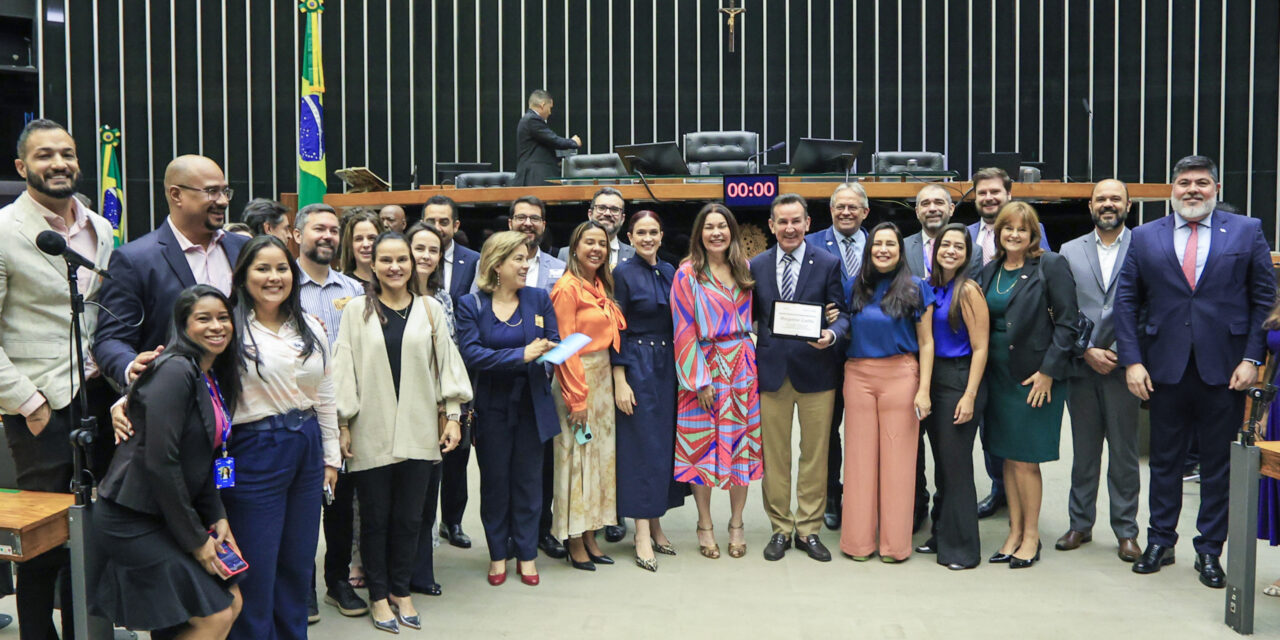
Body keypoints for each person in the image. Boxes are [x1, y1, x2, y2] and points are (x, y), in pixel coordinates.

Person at [1116, 155, 1274, 588]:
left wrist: (1252, 359)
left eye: (1202, 183)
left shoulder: (1247, 231)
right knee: (1164, 461)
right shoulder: (1146, 236)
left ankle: (1209, 551)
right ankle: (1160, 542)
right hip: (1163, 368)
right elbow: (1126, 303)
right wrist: (1132, 361)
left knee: (1217, 465)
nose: (1192, 190)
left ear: (1217, 188)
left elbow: (1264, 300)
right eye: (1184, 182)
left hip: (1225, 370)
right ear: (1172, 188)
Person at [0, 118, 114, 638]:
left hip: (98, 396)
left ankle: (85, 630)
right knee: (44, 540)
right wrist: (28, 402)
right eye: (44, 155)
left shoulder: (100, 227)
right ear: (23, 167)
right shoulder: (5, 231)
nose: (59, 163)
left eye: (66, 153)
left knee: (91, 532)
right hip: (41, 406)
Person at [334, 232, 472, 633]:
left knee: (412, 518)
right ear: (372, 265)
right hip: (370, 430)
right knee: (375, 519)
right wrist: (342, 424)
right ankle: (378, 595)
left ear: (413, 265)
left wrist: (452, 416)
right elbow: (344, 369)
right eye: (386, 260)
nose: (395, 267)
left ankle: (400, 589)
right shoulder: (355, 309)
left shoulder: (429, 309)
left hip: (419, 429)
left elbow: (447, 365)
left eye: (403, 259)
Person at [93, 285, 244, 638]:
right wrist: (196, 541)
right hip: (134, 517)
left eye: (223, 317)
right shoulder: (174, 370)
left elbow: (202, 456)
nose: (217, 326)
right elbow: (162, 462)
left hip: (170, 513)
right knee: (217, 615)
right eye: (203, 319)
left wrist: (217, 515)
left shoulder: (206, 374)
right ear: (182, 325)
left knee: (232, 598)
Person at [221, 235, 342, 639]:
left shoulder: (309, 326)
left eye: (281, 268)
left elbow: (325, 395)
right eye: (262, 268)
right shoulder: (228, 328)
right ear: (243, 276)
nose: (274, 277)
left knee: (297, 563)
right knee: (255, 565)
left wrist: (330, 458)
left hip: (306, 446)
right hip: (253, 450)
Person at [977, 202, 1079, 570]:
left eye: (1022, 229)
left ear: (1033, 233)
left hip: (1035, 378)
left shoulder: (1050, 265)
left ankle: (1031, 536)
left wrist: (1049, 371)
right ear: (998, 233)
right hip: (998, 376)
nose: (1014, 235)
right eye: (1008, 229)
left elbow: (1068, 323)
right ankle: (1013, 531)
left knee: (1025, 460)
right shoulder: (990, 271)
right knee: (1005, 456)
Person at [456, 231, 561, 586]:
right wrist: (522, 354)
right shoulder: (472, 305)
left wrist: (550, 352)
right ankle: (499, 554)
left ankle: (528, 556)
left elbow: (555, 342)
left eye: (527, 257)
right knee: (496, 484)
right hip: (491, 406)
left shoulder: (539, 298)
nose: (526, 263)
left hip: (533, 402)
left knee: (530, 484)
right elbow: (472, 355)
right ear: (496, 264)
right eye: (517, 258)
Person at [94, 154, 250, 390]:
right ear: (176, 194)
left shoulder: (243, 249)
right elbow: (111, 339)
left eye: (225, 191)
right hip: (178, 399)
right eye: (211, 191)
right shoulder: (135, 260)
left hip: (250, 399)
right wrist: (130, 366)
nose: (223, 201)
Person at [748, 195, 846, 563]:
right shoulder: (755, 265)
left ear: (808, 223)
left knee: (815, 455)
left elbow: (843, 313)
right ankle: (780, 528)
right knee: (775, 456)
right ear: (771, 226)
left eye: (796, 221)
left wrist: (832, 335)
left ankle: (809, 529)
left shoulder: (827, 263)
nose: (789, 228)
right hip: (771, 372)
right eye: (782, 222)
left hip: (817, 371)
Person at [1055, 179, 1142, 563]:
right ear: (1090, 205)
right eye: (1101, 199)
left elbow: (1152, 306)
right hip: (1082, 365)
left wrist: (1121, 352)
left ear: (1128, 205)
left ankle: (1126, 531)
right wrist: (1086, 349)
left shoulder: (1147, 247)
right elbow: (1061, 307)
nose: (1108, 204)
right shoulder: (1069, 250)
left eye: (1115, 199)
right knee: (1085, 452)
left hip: (1126, 368)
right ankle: (1080, 524)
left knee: (1124, 454)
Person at [840, 222, 935, 564]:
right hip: (858, 376)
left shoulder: (916, 288)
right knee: (859, 462)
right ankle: (858, 543)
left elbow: (926, 342)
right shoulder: (853, 287)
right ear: (869, 250)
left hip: (900, 375)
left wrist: (923, 389)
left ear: (900, 251)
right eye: (877, 244)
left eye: (890, 244)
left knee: (899, 463)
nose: (882, 249)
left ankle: (895, 546)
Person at [671, 203, 762, 559]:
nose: (716, 233)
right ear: (699, 234)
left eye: (722, 226)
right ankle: (705, 523)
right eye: (708, 227)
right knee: (701, 449)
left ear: (732, 232)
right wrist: (699, 380)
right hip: (703, 369)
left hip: (742, 369)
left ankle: (737, 523)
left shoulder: (746, 269)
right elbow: (682, 329)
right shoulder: (688, 274)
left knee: (741, 448)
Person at [292, 203, 368, 618]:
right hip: (299, 414)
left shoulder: (353, 290)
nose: (327, 236)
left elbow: (359, 356)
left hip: (346, 415)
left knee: (341, 506)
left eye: (333, 230)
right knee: (302, 507)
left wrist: (346, 420)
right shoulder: (283, 284)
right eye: (318, 228)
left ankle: (337, 581)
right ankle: (300, 584)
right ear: (297, 234)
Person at [966, 167, 1050, 520]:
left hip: (1024, 358)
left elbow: (1048, 297)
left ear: (1008, 195)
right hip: (981, 352)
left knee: (1019, 443)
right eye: (982, 192)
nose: (988, 198)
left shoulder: (1037, 240)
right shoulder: (966, 235)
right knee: (991, 430)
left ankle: (1013, 502)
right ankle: (999, 487)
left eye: (995, 192)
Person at [549, 220, 627, 570]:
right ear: (574, 248)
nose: (596, 248)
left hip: (602, 381)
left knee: (598, 461)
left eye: (602, 243)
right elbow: (565, 348)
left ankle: (592, 533)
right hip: (576, 381)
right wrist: (576, 398)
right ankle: (573, 539)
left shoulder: (598, 285)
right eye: (589, 242)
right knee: (576, 462)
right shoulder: (567, 288)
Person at [612, 211, 687, 571]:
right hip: (637, 363)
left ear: (661, 235)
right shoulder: (622, 274)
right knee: (640, 446)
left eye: (653, 232)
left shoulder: (671, 271)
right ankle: (640, 532)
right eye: (640, 232)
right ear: (630, 235)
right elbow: (617, 329)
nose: (647, 238)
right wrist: (620, 378)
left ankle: (656, 522)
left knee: (662, 445)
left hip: (666, 365)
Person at [916, 224, 989, 569]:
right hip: (935, 379)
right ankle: (941, 532)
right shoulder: (930, 288)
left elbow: (980, 347)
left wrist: (970, 395)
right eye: (946, 244)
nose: (950, 251)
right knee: (942, 465)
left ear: (966, 254)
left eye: (958, 247)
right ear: (936, 248)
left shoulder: (969, 290)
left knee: (957, 467)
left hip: (961, 379)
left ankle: (963, 549)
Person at [504, 196, 568, 559]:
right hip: (506, 376)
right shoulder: (492, 266)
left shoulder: (560, 268)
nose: (528, 224)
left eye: (535, 219)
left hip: (547, 382)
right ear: (510, 222)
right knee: (508, 464)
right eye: (521, 217)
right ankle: (511, 536)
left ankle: (542, 530)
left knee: (543, 464)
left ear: (544, 225)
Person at [806, 182, 870, 531]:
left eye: (852, 207)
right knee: (828, 431)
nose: (845, 212)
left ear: (865, 212)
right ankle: (831, 494)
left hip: (869, 353)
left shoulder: (882, 244)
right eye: (839, 207)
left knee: (866, 431)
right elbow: (797, 293)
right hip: (825, 354)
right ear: (830, 211)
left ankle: (865, 496)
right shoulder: (811, 243)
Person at [420, 194, 480, 549]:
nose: (438, 228)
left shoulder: (472, 261)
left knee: (458, 456)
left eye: (444, 222)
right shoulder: (411, 257)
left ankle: (453, 522)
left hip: (459, 374)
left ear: (456, 226)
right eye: (432, 221)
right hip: (423, 375)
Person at [404, 221, 455, 595]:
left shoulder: (443, 301)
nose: (425, 256)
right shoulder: (379, 297)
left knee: (425, 497)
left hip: (433, 410)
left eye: (433, 250)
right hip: (391, 409)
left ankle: (422, 570)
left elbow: (449, 361)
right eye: (419, 248)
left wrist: (451, 411)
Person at [903, 184, 957, 532]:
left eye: (939, 202)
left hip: (953, 360)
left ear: (951, 209)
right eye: (925, 203)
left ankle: (945, 512)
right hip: (908, 358)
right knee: (911, 443)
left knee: (947, 446)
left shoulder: (963, 246)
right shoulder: (901, 245)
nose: (932, 208)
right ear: (917, 211)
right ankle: (915, 505)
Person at [514, 89, 581, 186]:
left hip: (537, 176)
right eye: (550, 108)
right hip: (535, 177)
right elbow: (553, 140)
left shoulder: (528, 119)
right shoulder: (532, 120)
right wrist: (573, 142)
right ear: (542, 104)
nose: (550, 112)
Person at [558, 187, 636, 268]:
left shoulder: (634, 255)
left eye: (614, 209)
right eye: (601, 208)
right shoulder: (566, 253)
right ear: (590, 214)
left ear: (622, 219)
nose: (607, 213)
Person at [339, 211, 382, 285]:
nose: (365, 244)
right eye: (358, 239)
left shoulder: (392, 281)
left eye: (372, 238)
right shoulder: (342, 284)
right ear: (350, 244)